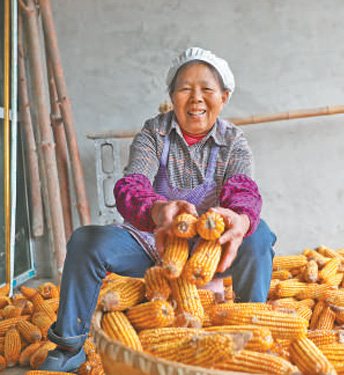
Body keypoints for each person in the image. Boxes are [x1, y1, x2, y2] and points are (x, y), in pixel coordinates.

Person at [39, 46, 276, 372]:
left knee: (258, 235)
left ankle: (250, 337)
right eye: (185, 89)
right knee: (86, 240)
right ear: (171, 95)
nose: (196, 99)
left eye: (207, 89)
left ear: (224, 97)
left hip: (209, 251)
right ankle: (69, 347)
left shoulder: (234, 142)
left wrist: (239, 217)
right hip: (152, 244)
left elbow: (243, 190)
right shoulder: (154, 133)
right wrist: (156, 210)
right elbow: (130, 185)